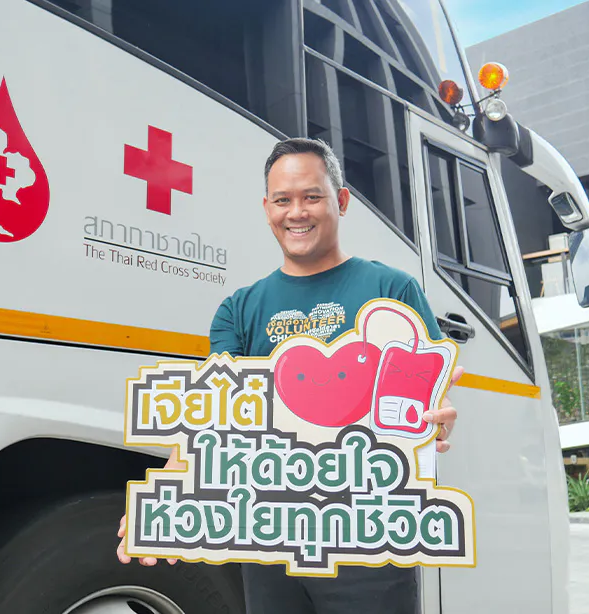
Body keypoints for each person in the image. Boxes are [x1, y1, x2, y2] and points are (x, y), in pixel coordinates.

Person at [117, 137, 462, 613]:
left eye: (312, 196)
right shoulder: (239, 309)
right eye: (283, 200)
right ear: (267, 209)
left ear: (342, 201)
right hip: (269, 539)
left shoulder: (392, 289)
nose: (296, 212)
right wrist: (164, 497)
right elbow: (215, 416)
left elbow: (428, 395)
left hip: (367, 542)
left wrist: (437, 421)